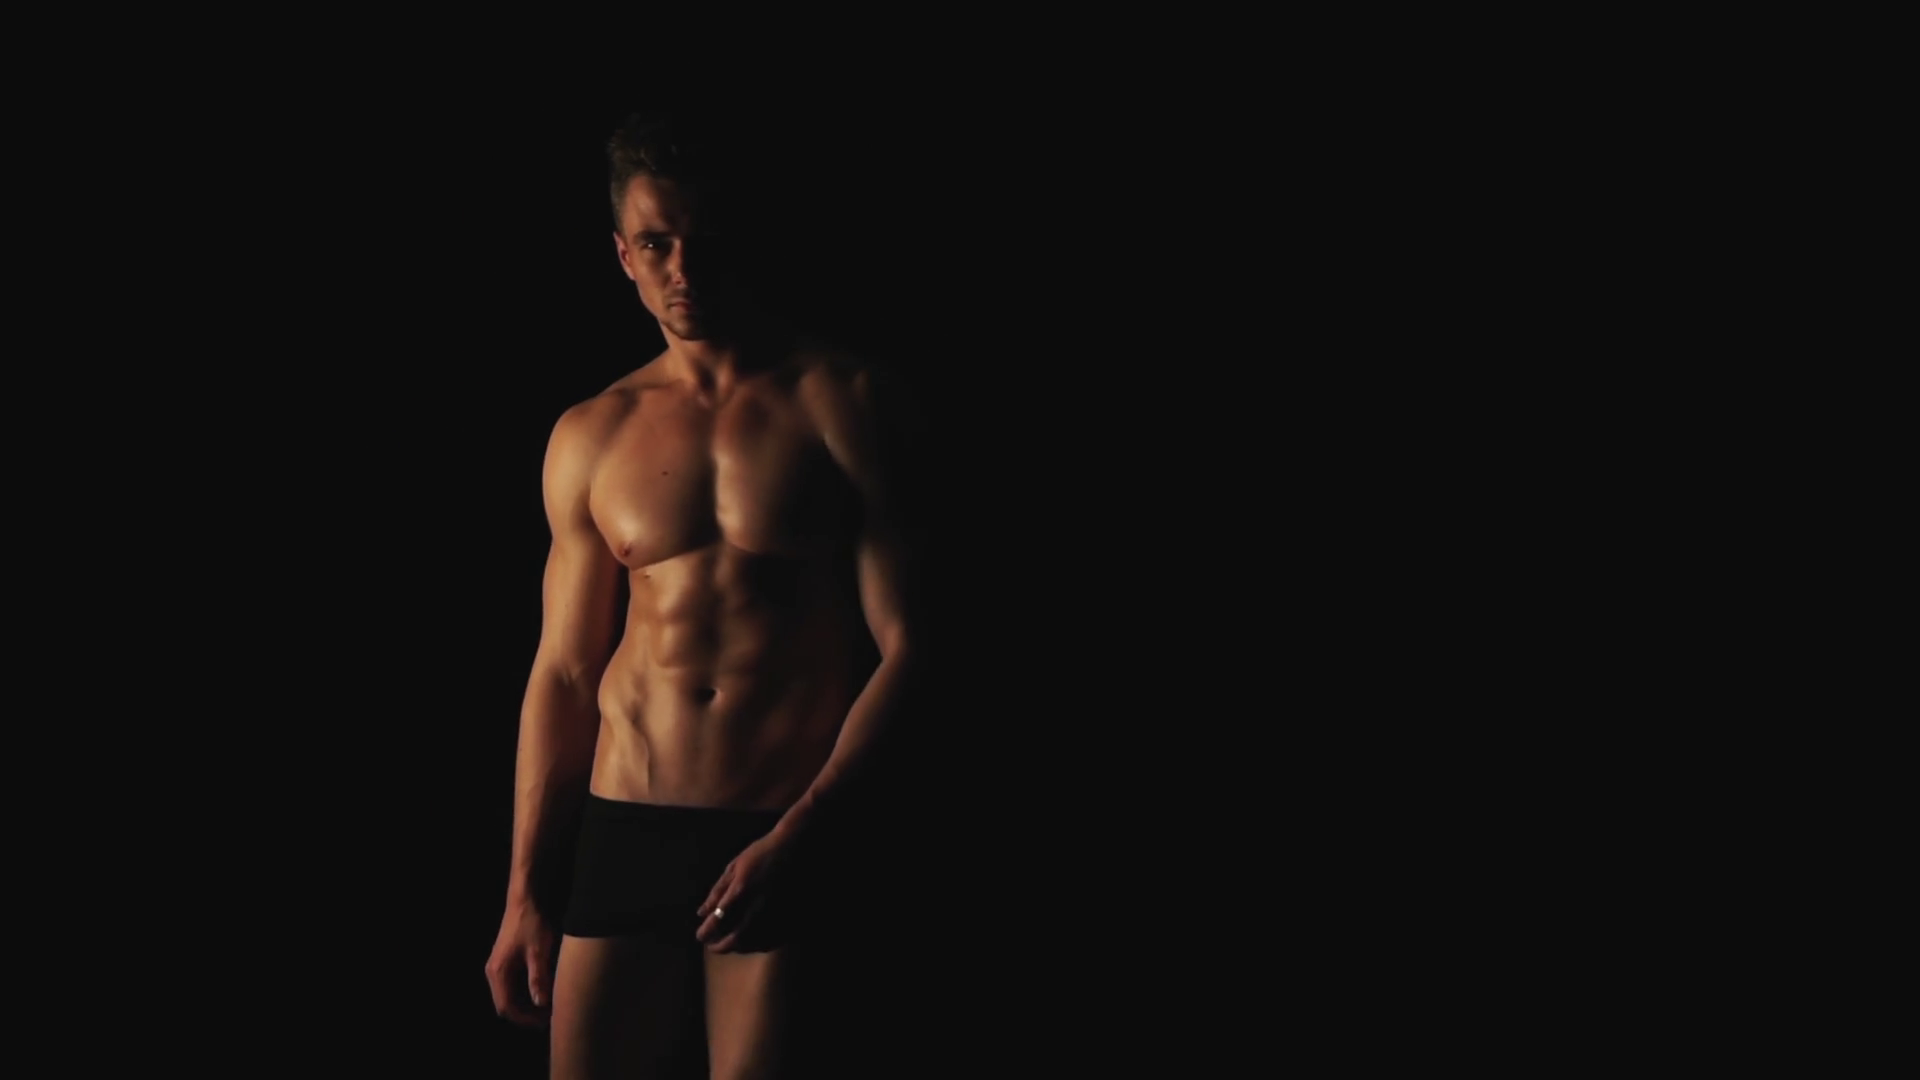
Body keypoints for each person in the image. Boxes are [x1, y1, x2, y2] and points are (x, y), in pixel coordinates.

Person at [483, 113, 922, 1078]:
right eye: (656, 243)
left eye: (703, 239)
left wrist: (811, 831)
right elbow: (564, 673)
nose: (682, 268)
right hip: (625, 820)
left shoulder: (845, 404)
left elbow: (920, 647)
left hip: (782, 821)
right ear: (622, 254)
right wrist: (525, 892)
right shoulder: (591, 433)